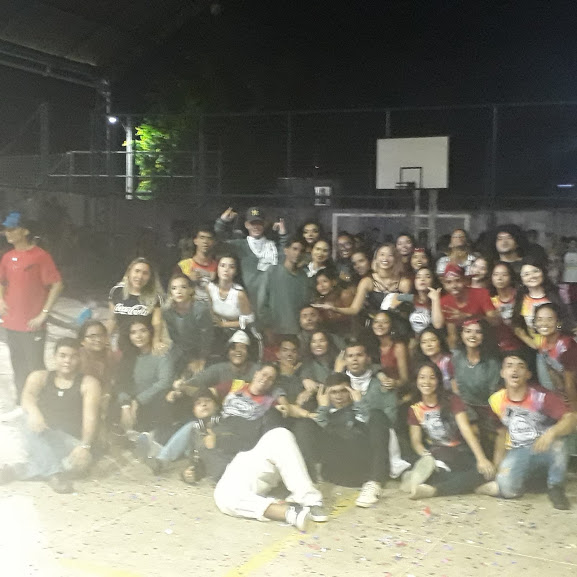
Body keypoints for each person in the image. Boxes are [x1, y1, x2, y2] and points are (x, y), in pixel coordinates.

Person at [191, 363, 328, 530]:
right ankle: (288, 512)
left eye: (270, 378)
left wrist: (308, 413)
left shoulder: (270, 402)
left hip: (253, 452)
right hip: (236, 467)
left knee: (280, 434)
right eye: (263, 374)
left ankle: (311, 501)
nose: (265, 379)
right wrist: (192, 470)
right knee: (223, 497)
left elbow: (287, 411)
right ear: (255, 374)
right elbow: (204, 394)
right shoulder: (234, 389)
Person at [476, 353, 577, 510]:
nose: (514, 370)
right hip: (518, 450)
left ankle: (555, 487)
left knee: (559, 443)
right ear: (502, 372)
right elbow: (501, 434)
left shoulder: (541, 397)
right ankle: (524, 483)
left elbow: (571, 419)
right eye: (509, 366)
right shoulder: (496, 400)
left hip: (543, 447)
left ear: (528, 374)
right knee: (507, 489)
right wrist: (497, 466)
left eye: (520, 366)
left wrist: (552, 433)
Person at [19, 338, 101, 493]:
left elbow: (90, 418)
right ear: (54, 357)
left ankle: (18, 470)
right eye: (62, 355)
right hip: (41, 433)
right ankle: (54, 473)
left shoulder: (89, 383)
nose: (67, 361)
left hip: (68, 441)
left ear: (79, 358)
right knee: (25, 417)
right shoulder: (39, 377)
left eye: (73, 356)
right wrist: (35, 413)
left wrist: (84, 446)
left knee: (78, 464)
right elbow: (26, 398)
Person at [402, 362, 495, 499]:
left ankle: (432, 488)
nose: (427, 382)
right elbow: (416, 441)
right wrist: (426, 456)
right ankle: (472, 486)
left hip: (460, 450)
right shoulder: (415, 409)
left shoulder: (452, 400)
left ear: (438, 381)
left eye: (432, 377)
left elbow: (466, 430)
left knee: (484, 472)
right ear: (416, 381)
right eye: (422, 377)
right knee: (444, 472)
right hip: (438, 453)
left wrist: (481, 458)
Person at [0, 211, 63, 396]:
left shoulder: (40, 256)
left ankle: (39, 399)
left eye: (12, 229)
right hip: (12, 322)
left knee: (35, 367)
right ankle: (22, 399)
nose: (8, 233)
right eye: (6, 229)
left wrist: (44, 313)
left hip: (33, 324)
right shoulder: (7, 257)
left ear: (25, 231)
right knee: (17, 364)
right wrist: (1, 300)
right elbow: (2, 281)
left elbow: (57, 284)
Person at [313, 243, 411, 321]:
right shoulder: (367, 281)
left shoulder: (404, 283)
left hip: (396, 324)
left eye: (390, 255)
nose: (385, 258)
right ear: (376, 259)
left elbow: (409, 308)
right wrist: (334, 308)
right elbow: (354, 309)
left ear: (395, 259)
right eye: (382, 255)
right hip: (373, 324)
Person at [214, 206, 287, 308]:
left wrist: (283, 235)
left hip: (270, 300)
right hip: (246, 300)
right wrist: (222, 222)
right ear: (247, 225)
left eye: (259, 223)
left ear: (264, 224)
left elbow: (284, 258)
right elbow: (218, 242)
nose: (256, 226)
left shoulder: (272, 246)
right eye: (252, 223)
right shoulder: (240, 245)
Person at [115, 319, 174, 439]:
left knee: (163, 398)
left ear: (150, 332)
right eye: (133, 332)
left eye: (143, 331)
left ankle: (151, 436)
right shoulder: (127, 356)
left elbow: (165, 382)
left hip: (151, 401)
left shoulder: (161, 354)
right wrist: (125, 405)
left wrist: (138, 400)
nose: (138, 336)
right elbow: (120, 382)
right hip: (129, 402)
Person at [452, 319, 501, 458]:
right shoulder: (456, 356)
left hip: (487, 411)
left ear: (484, 336)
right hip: (464, 409)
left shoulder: (492, 363)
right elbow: (455, 387)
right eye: (468, 331)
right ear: (461, 334)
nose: (472, 335)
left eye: (478, 332)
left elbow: (495, 397)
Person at [171, 330, 257, 401]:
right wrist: (181, 386)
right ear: (228, 353)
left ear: (248, 353)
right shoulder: (218, 369)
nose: (238, 351)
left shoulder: (257, 370)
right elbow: (196, 382)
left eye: (242, 347)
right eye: (233, 348)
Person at [512, 256, 572, 350]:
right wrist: (532, 344)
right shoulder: (521, 299)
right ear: (521, 279)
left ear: (543, 273)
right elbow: (517, 325)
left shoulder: (557, 294)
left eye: (535, 271)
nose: (532, 276)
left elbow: (567, 321)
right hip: (536, 350)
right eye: (526, 274)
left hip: (560, 347)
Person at [108, 257, 164, 354]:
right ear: (129, 272)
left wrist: (156, 341)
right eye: (137, 271)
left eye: (145, 273)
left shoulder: (155, 297)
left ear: (150, 277)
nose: (140, 276)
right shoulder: (116, 291)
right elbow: (112, 319)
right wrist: (106, 340)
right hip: (122, 346)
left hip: (145, 348)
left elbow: (157, 323)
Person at [162, 273, 214, 377]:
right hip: (182, 352)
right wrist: (188, 359)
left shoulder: (201, 309)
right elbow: (175, 338)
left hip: (203, 351)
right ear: (171, 292)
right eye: (174, 288)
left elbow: (207, 338)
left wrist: (201, 359)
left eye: (183, 287)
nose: (179, 291)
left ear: (191, 290)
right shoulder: (167, 312)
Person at [259, 237, 311, 336]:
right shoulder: (272, 271)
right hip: (275, 330)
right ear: (286, 250)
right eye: (295, 249)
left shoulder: (303, 277)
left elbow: (305, 304)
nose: (298, 253)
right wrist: (267, 326)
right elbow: (262, 302)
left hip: (297, 331)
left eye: (302, 251)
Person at [206, 254, 256, 357]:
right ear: (217, 268)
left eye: (231, 267)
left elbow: (248, 320)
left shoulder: (239, 293)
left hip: (239, 331)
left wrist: (223, 324)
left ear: (236, 271)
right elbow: (210, 311)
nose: (226, 270)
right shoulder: (210, 288)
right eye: (222, 265)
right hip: (218, 330)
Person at [439, 263, 498, 349]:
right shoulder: (444, 301)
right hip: (463, 346)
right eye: (448, 282)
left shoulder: (481, 293)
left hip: (488, 341)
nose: (454, 286)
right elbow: (452, 335)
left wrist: (468, 316)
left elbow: (495, 321)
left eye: (458, 281)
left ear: (465, 281)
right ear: (444, 284)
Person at [534, 303, 577, 410]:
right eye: (539, 319)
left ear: (558, 323)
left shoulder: (566, 345)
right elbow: (552, 373)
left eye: (549, 319)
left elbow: (570, 385)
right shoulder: (543, 344)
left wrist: (574, 412)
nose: (544, 323)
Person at [176, 225, 217, 304]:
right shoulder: (182, 266)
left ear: (214, 242)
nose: (205, 241)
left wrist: (217, 280)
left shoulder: (220, 267)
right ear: (195, 241)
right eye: (202, 237)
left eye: (209, 238)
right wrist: (188, 279)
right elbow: (173, 291)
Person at [312, 268, 356, 337]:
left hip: (348, 334)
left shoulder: (344, 295)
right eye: (318, 283)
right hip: (329, 335)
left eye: (324, 281)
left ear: (333, 282)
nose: (321, 286)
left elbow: (354, 318)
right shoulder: (319, 301)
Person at [490, 261, 523, 352]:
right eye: (496, 274)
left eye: (504, 275)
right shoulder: (490, 301)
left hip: (523, 344)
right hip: (499, 347)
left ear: (511, 277)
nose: (499, 278)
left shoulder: (521, 296)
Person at [415, 326, 454, 392]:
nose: (428, 345)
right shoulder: (420, 365)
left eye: (433, 340)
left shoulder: (451, 361)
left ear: (440, 341)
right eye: (424, 342)